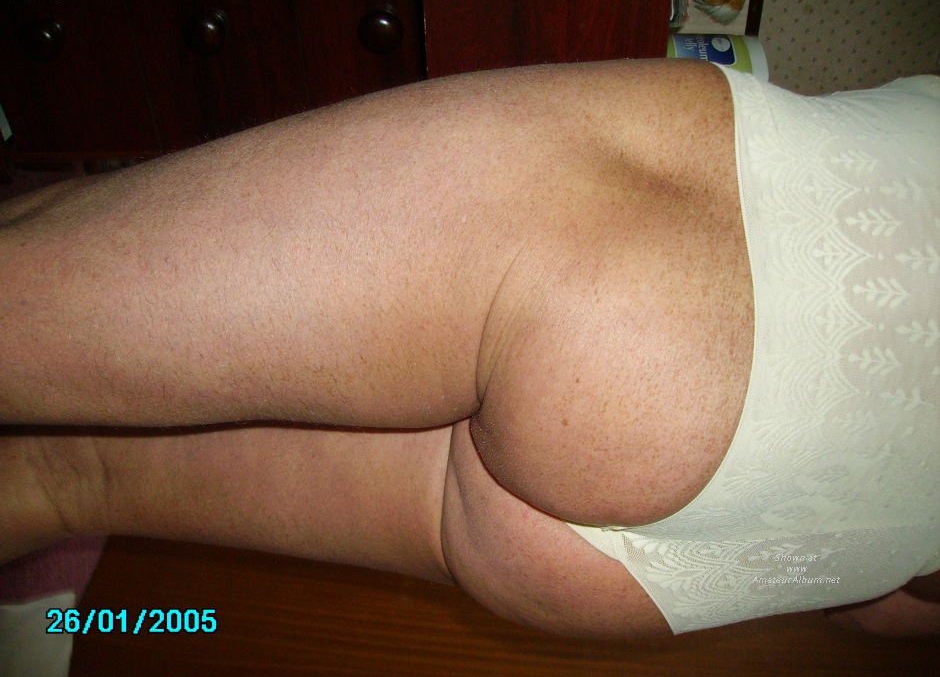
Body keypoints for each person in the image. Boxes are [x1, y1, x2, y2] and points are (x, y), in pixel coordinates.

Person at [1, 59, 938, 639]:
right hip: (764, 554)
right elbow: (892, 613)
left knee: (22, 285)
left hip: (702, 283)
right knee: (64, 474)